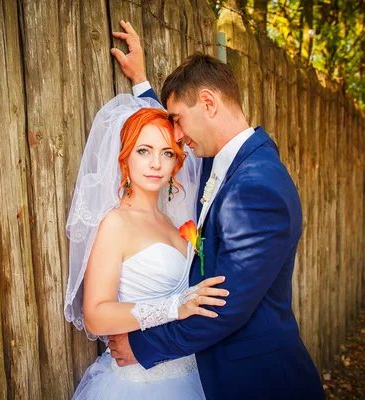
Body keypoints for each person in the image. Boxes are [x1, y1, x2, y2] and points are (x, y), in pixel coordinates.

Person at [107, 21, 325, 400]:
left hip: (260, 383)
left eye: (176, 120)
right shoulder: (226, 162)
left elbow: (226, 307)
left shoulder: (256, 188)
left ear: (208, 103)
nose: (176, 137)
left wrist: (141, 348)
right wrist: (142, 84)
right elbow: (174, 143)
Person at [65, 95, 230, 399]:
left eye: (167, 153)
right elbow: (96, 315)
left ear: (177, 161)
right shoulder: (116, 222)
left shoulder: (175, 224)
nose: (156, 163)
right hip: (139, 383)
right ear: (125, 156)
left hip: (192, 373)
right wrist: (174, 307)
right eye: (144, 151)